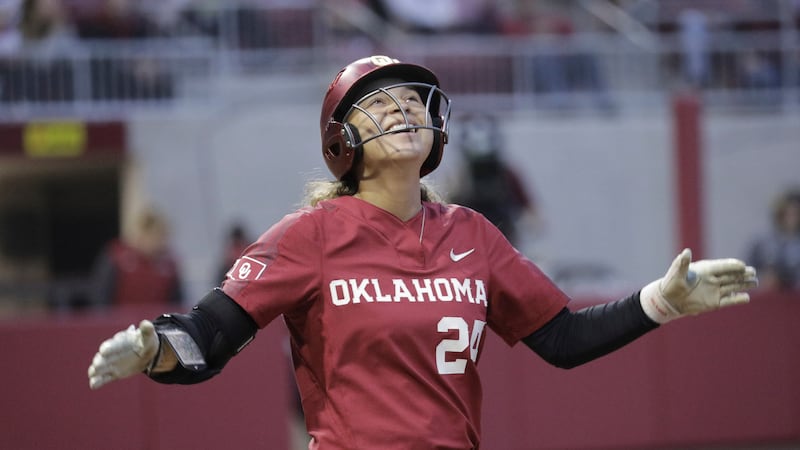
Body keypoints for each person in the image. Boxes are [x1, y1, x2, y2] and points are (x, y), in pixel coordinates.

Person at [87, 55, 758, 449]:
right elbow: (211, 333)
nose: (404, 110)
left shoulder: (471, 231)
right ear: (340, 140)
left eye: (412, 99)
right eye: (380, 105)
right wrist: (155, 349)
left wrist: (660, 301)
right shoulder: (312, 234)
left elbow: (561, 339)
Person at [450, 112, 538, 247]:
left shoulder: (508, 174)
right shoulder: (460, 177)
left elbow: (532, 213)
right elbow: (446, 207)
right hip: (470, 246)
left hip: (505, 243)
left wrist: (530, 221)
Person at [89, 207, 183, 308]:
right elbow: (100, 296)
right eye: (155, 237)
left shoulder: (169, 265)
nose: (160, 243)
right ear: (142, 234)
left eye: (163, 237)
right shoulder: (117, 256)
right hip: (122, 322)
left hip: (155, 322)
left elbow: (175, 303)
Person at [746, 187, 800, 291]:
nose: (791, 218)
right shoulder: (763, 243)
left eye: (796, 214)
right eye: (787, 213)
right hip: (767, 299)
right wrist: (763, 278)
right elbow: (745, 271)